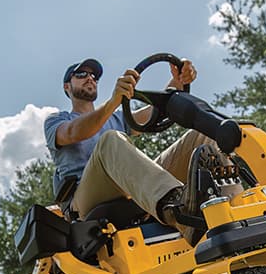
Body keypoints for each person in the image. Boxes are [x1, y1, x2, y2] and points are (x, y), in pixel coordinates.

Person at [43, 57, 229, 243]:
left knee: (200, 137)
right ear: (67, 86)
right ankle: (180, 212)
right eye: (81, 74)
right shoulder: (57, 120)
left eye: (94, 75)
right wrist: (113, 102)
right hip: (84, 201)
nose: (90, 78)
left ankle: (235, 211)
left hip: (129, 187)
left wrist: (178, 82)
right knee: (111, 139)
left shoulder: (115, 119)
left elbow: (153, 113)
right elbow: (74, 132)